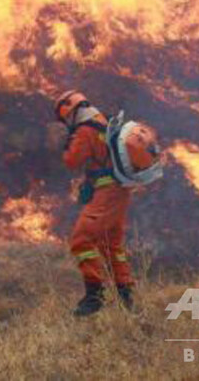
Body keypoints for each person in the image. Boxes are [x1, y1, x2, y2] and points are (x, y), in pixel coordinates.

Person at [55, 90, 135, 316]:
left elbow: (72, 161)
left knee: (81, 239)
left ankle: (94, 295)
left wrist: (65, 143)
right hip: (119, 190)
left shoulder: (85, 131)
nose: (66, 124)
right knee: (112, 245)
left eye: (65, 120)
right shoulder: (105, 122)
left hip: (107, 192)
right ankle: (126, 296)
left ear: (71, 113)